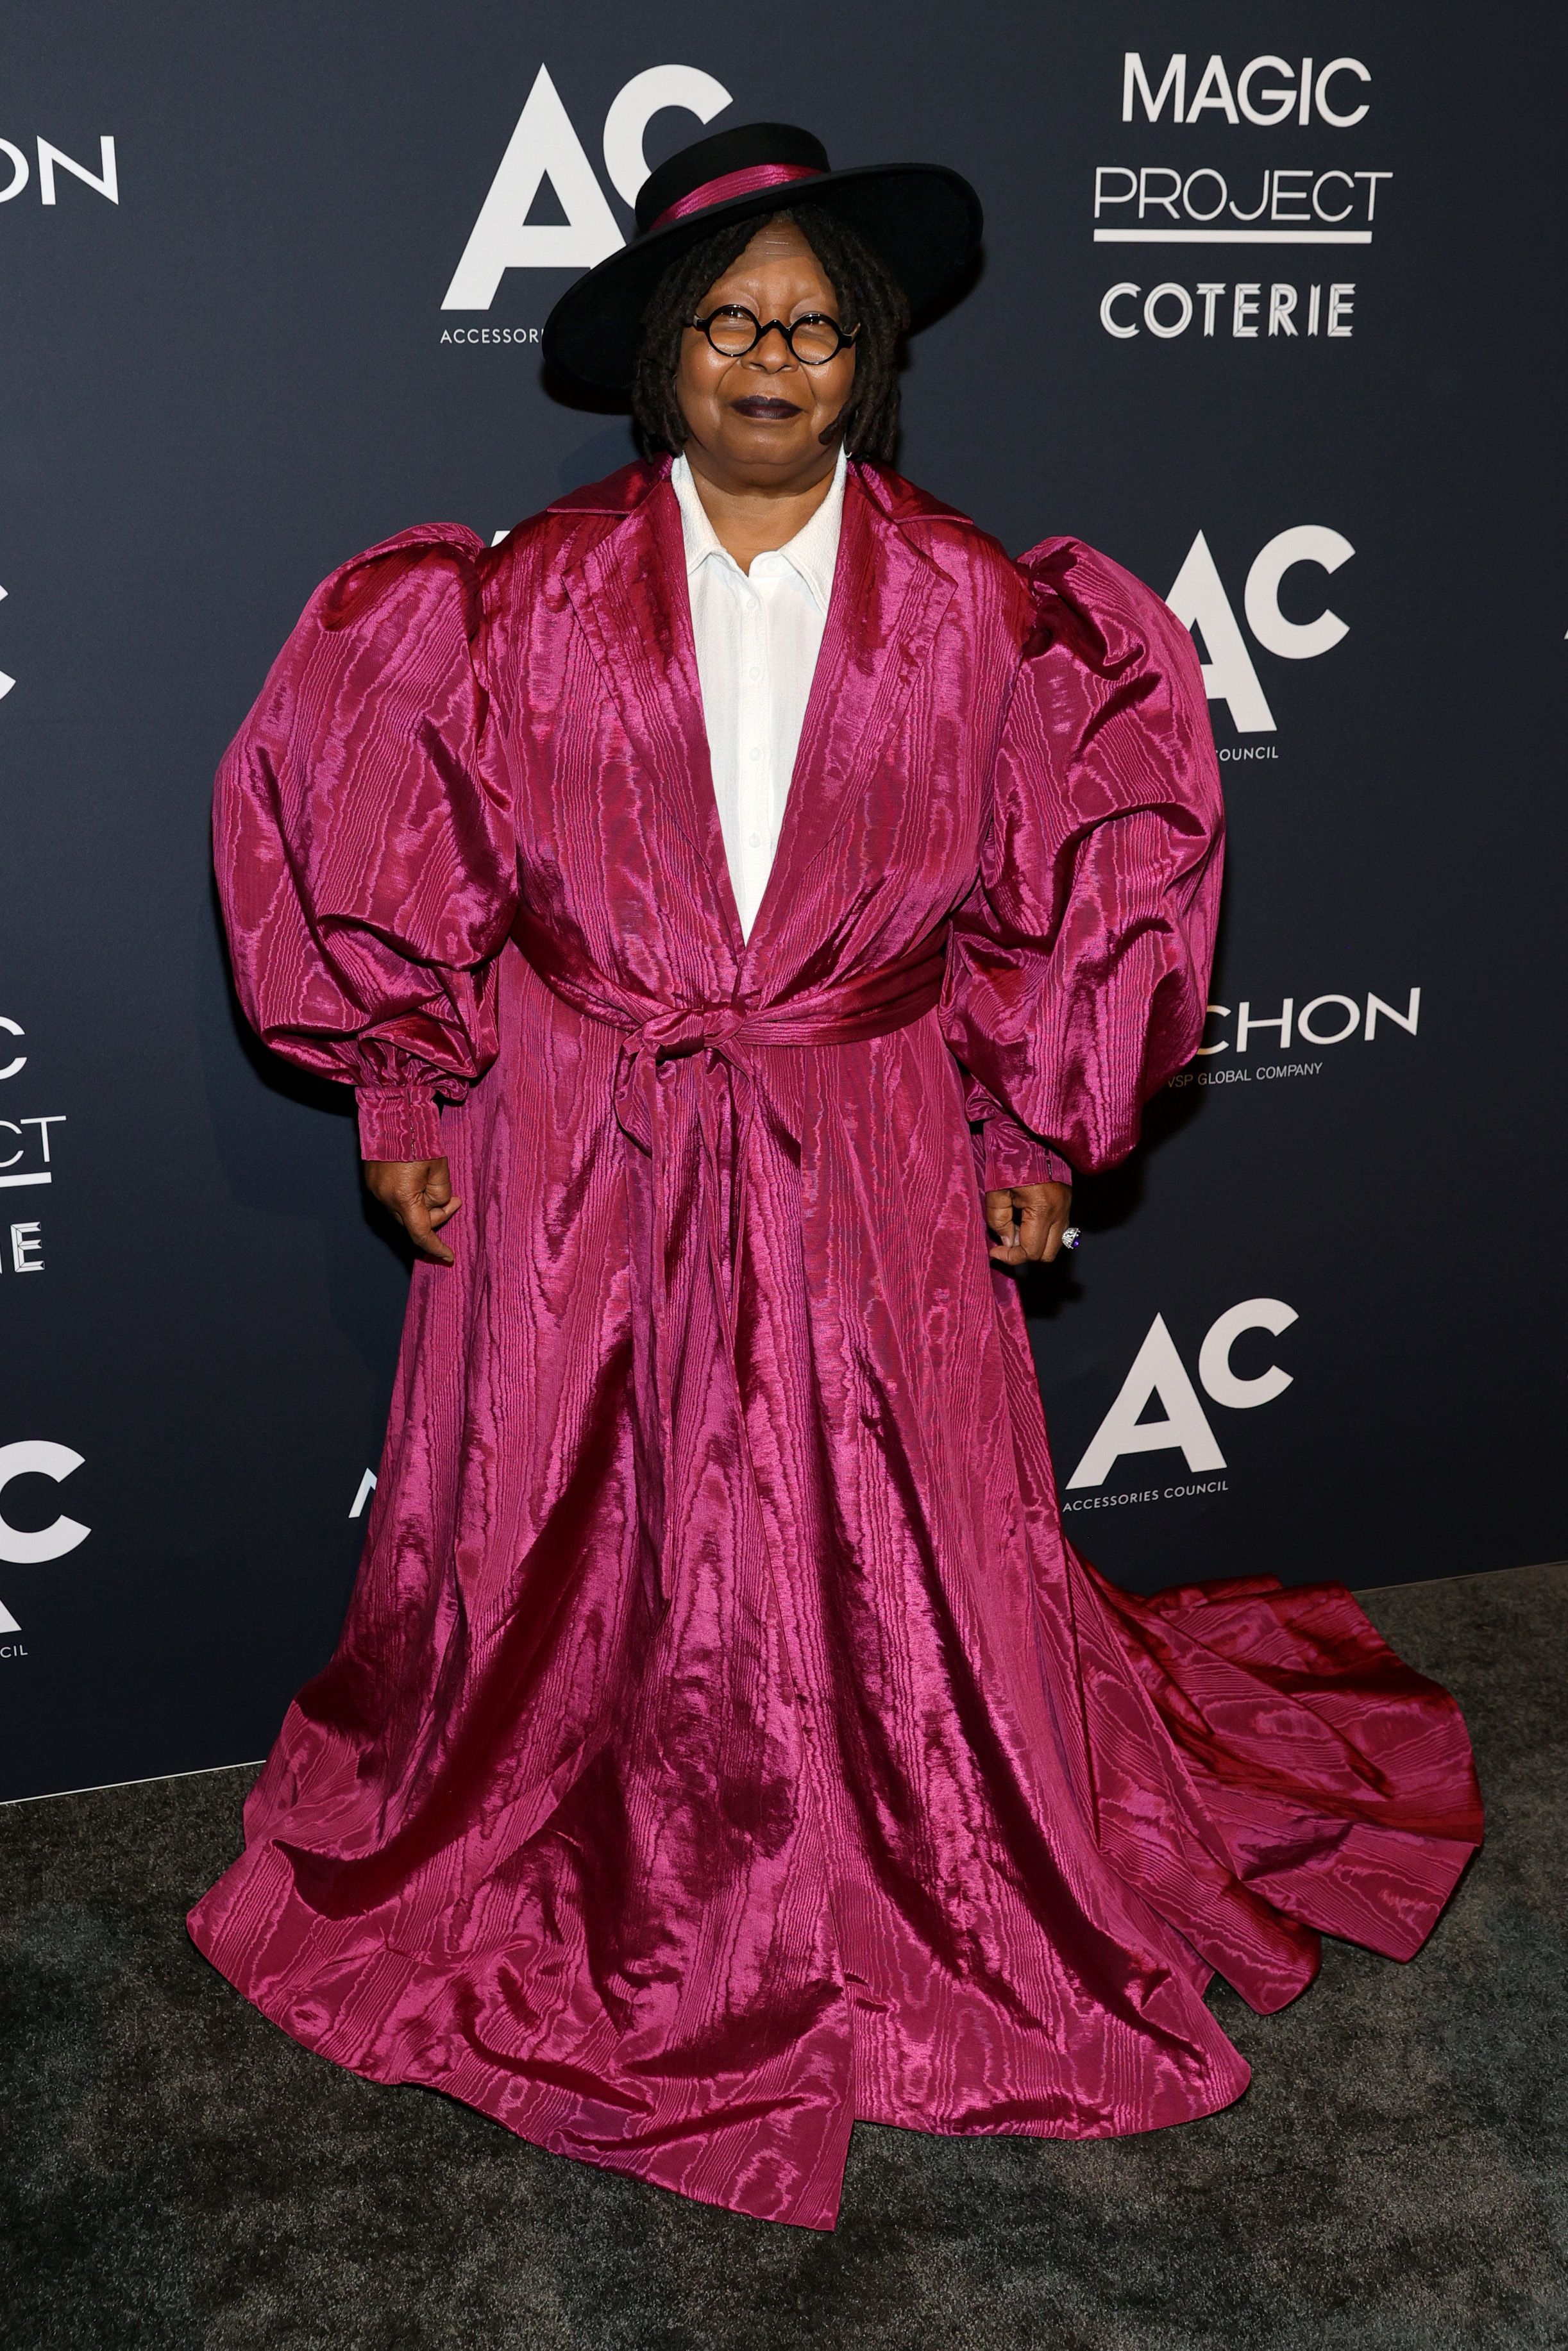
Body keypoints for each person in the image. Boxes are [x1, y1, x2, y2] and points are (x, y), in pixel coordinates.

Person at [190, 124, 1481, 2230]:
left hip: (872, 1128)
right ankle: (582, 1884)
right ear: (664, 360)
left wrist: (1036, 1117)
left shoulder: (991, 612)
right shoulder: (511, 600)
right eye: (729, 321)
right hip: (579, 1134)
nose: (772, 357)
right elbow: (381, 844)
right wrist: (415, 1099)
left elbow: (1052, 901)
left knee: (895, 1538)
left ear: (868, 357)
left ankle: (903, 1887)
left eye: (813, 322)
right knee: (554, 1538)